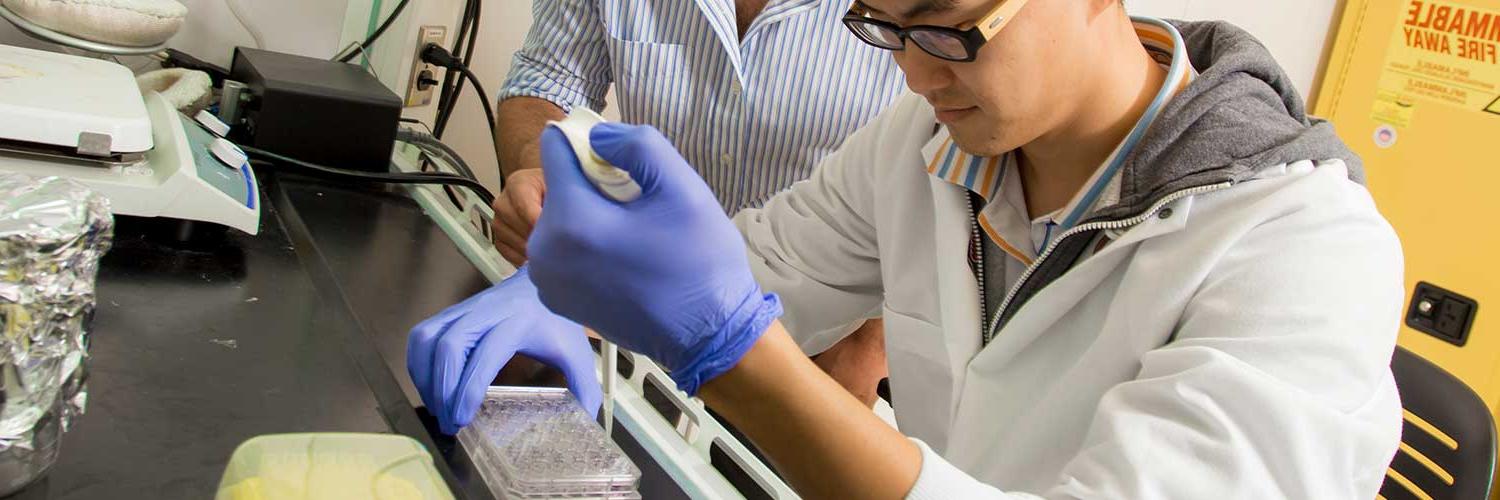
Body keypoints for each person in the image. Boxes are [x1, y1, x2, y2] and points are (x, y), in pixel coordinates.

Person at [410, 0, 1406, 496]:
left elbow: (730, 315)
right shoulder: (926, 145)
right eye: (883, 25)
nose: (918, 77)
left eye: (949, 29)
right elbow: (761, 265)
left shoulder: (1304, 254)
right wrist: (573, 288)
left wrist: (734, 357)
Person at [489, 0, 906, 405]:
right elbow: (547, 79)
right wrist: (550, 178)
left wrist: (871, 345)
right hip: (636, 300)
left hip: (818, 345)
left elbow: (924, 163)